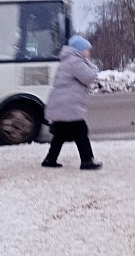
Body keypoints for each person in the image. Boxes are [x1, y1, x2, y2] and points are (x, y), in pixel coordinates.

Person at [41, 35, 102, 170]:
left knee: (61, 134)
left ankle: (50, 159)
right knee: (81, 131)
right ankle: (87, 161)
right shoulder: (75, 62)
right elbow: (89, 76)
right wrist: (90, 64)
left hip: (63, 103)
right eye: (86, 50)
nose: (88, 52)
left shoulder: (68, 60)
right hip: (69, 104)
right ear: (79, 50)